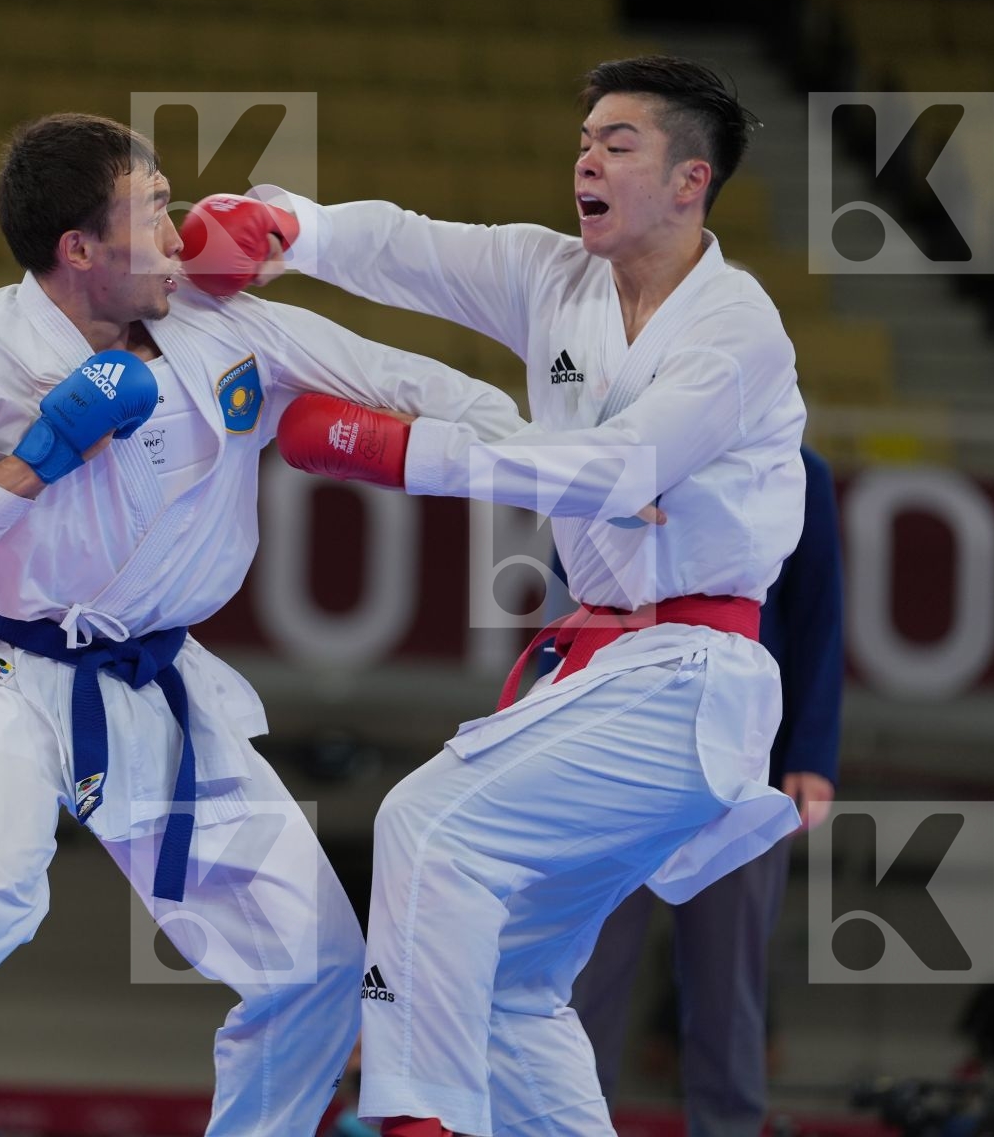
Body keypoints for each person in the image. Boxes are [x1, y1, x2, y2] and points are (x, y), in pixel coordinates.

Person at [0, 113, 529, 1137]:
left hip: (163, 691)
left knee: (318, 963)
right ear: (80, 249)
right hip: (16, 669)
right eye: (152, 211)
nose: (182, 232)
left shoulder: (223, 323)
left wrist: (565, 471)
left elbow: (407, 383)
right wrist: (35, 462)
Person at [261, 55, 809, 1135]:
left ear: (691, 180)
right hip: (606, 671)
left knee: (430, 821)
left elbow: (620, 471)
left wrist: (403, 452)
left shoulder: (735, 329)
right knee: (513, 978)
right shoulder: (550, 276)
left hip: (691, 675)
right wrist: (286, 227)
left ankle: (416, 1116)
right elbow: (405, 245)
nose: (587, 161)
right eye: (584, 142)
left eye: (619, 144)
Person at [569, 444, 844, 1137]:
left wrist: (811, 754)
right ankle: (565, 1124)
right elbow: (569, 594)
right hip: (617, 755)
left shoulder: (793, 471)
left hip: (742, 765)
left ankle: (727, 1128)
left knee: (729, 989)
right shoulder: (628, 455)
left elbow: (819, 615)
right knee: (582, 974)